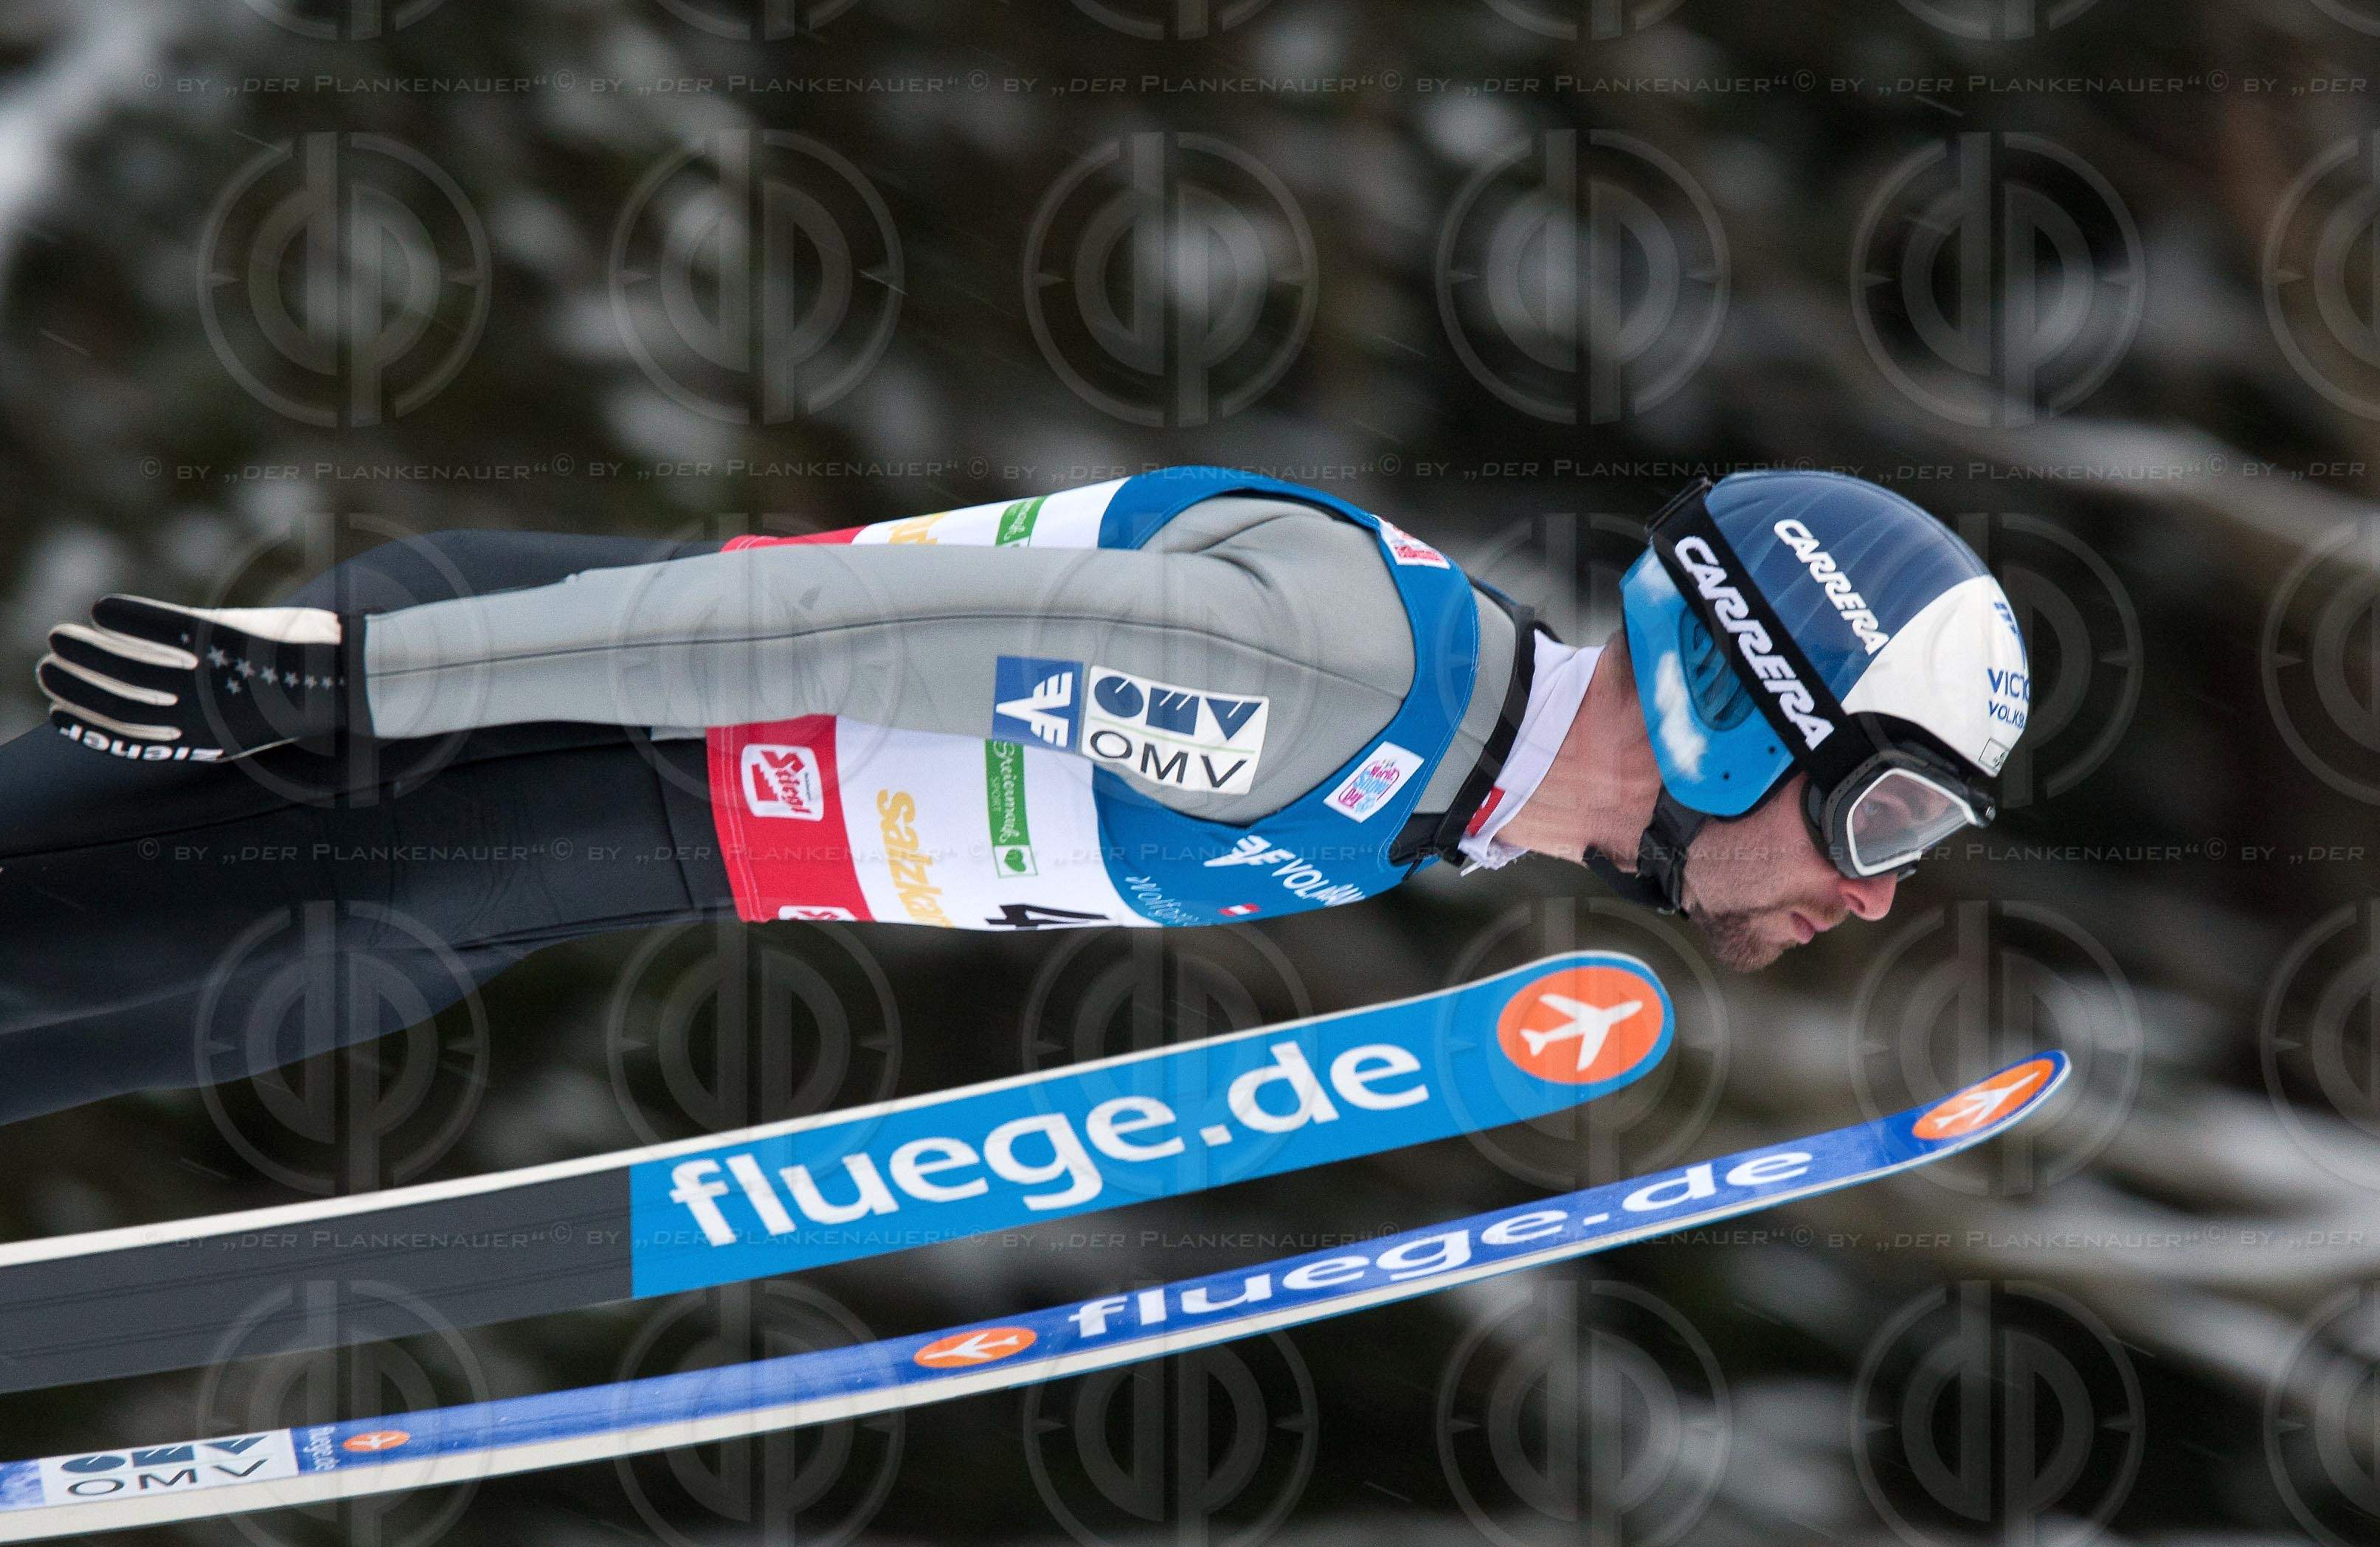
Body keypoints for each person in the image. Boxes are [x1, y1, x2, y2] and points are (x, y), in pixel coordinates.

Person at [8, 466, 2028, 1124]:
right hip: (491, 744)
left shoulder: (1433, 773)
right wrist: (358, 685)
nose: (1872, 898)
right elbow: (817, 634)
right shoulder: (1337, 680)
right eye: (1888, 826)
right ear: (1741, 706)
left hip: (529, 850)